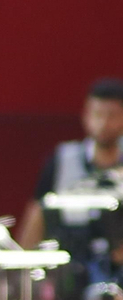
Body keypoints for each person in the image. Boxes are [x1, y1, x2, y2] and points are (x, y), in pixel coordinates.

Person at [17, 79, 123, 249]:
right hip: (69, 261)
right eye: (97, 114)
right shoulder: (61, 160)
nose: (103, 123)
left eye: (111, 115)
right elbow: (37, 215)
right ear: (86, 116)